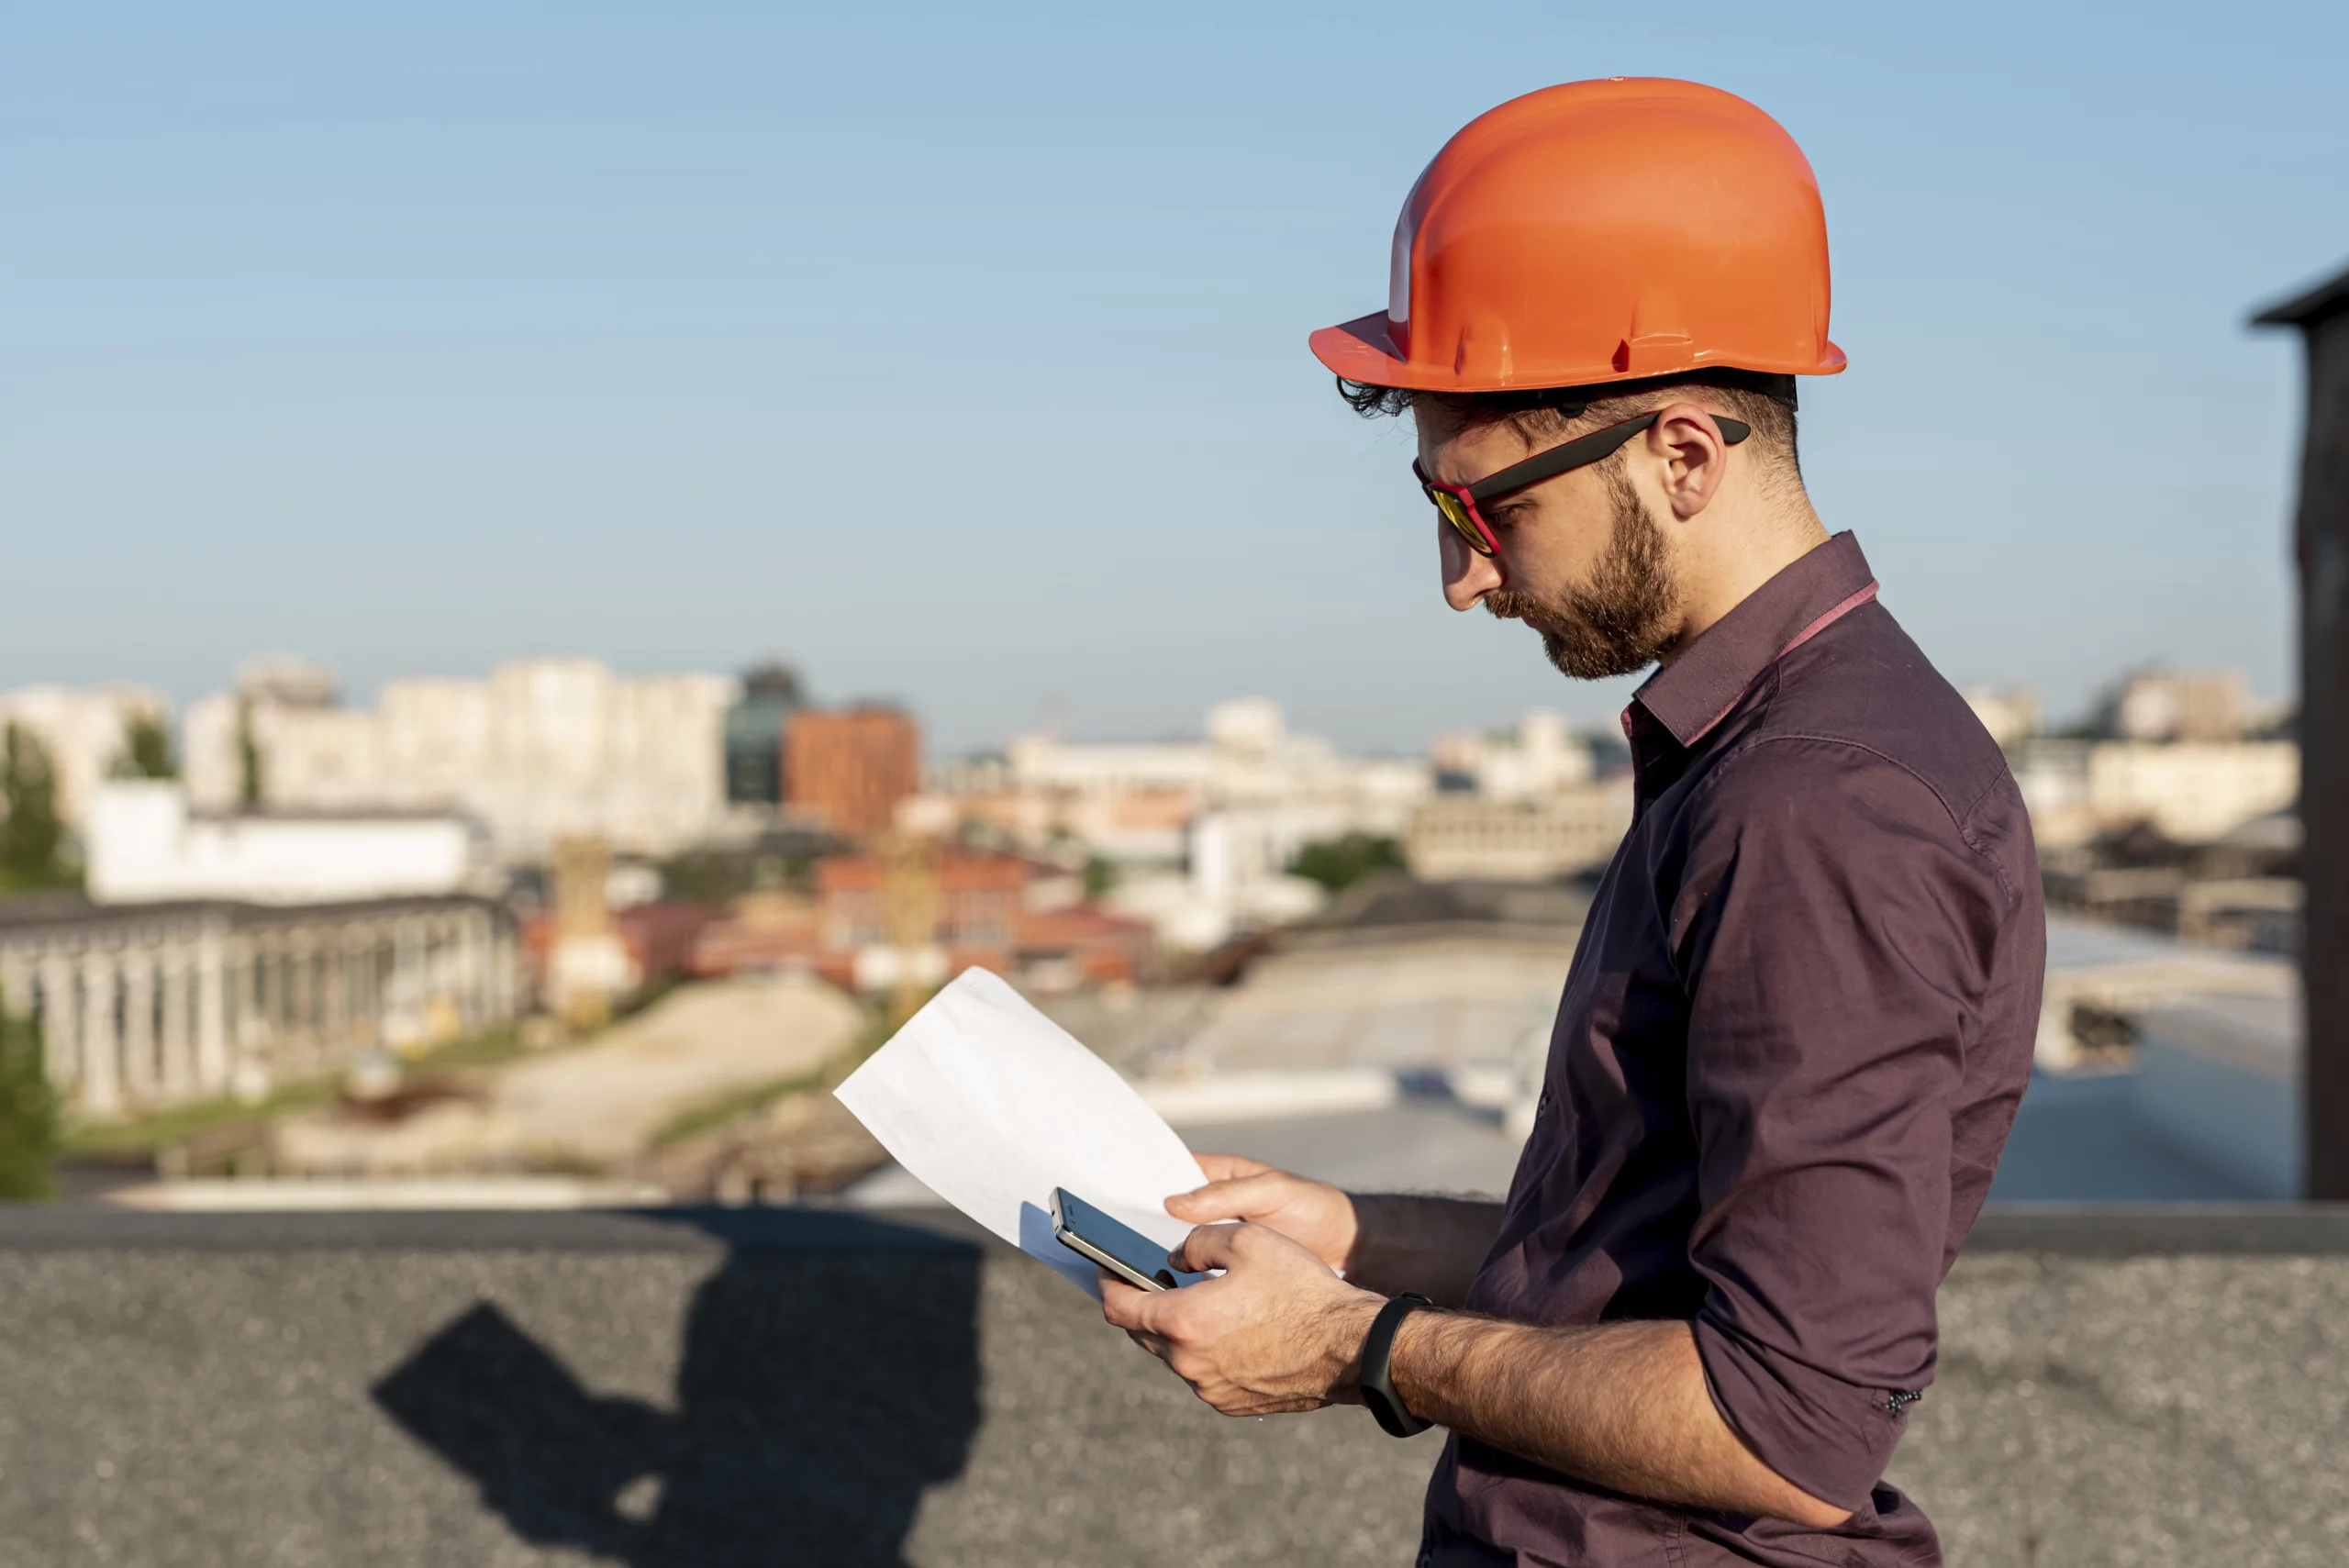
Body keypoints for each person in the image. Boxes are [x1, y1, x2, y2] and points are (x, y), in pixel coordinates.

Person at [1098, 78, 2044, 1566]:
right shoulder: (1757, 746)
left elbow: (1786, 1425)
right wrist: (1357, 1238)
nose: (1462, 580)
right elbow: (1650, 1269)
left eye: (1484, 514)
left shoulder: (1821, 803)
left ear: (1680, 455)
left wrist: (1360, 1344)